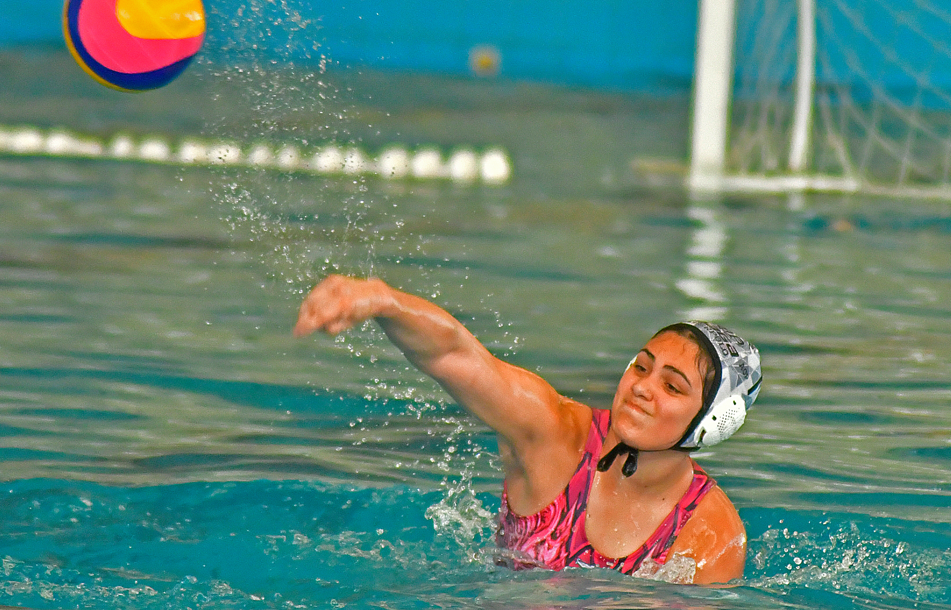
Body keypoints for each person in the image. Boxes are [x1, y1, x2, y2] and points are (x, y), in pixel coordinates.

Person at [294, 274, 762, 584]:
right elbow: (455, 355)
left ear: (713, 421)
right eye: (641, 367)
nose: (642, 388)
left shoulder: (710, 533)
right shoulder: (554, 434)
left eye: (672, 386)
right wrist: (384, 301)